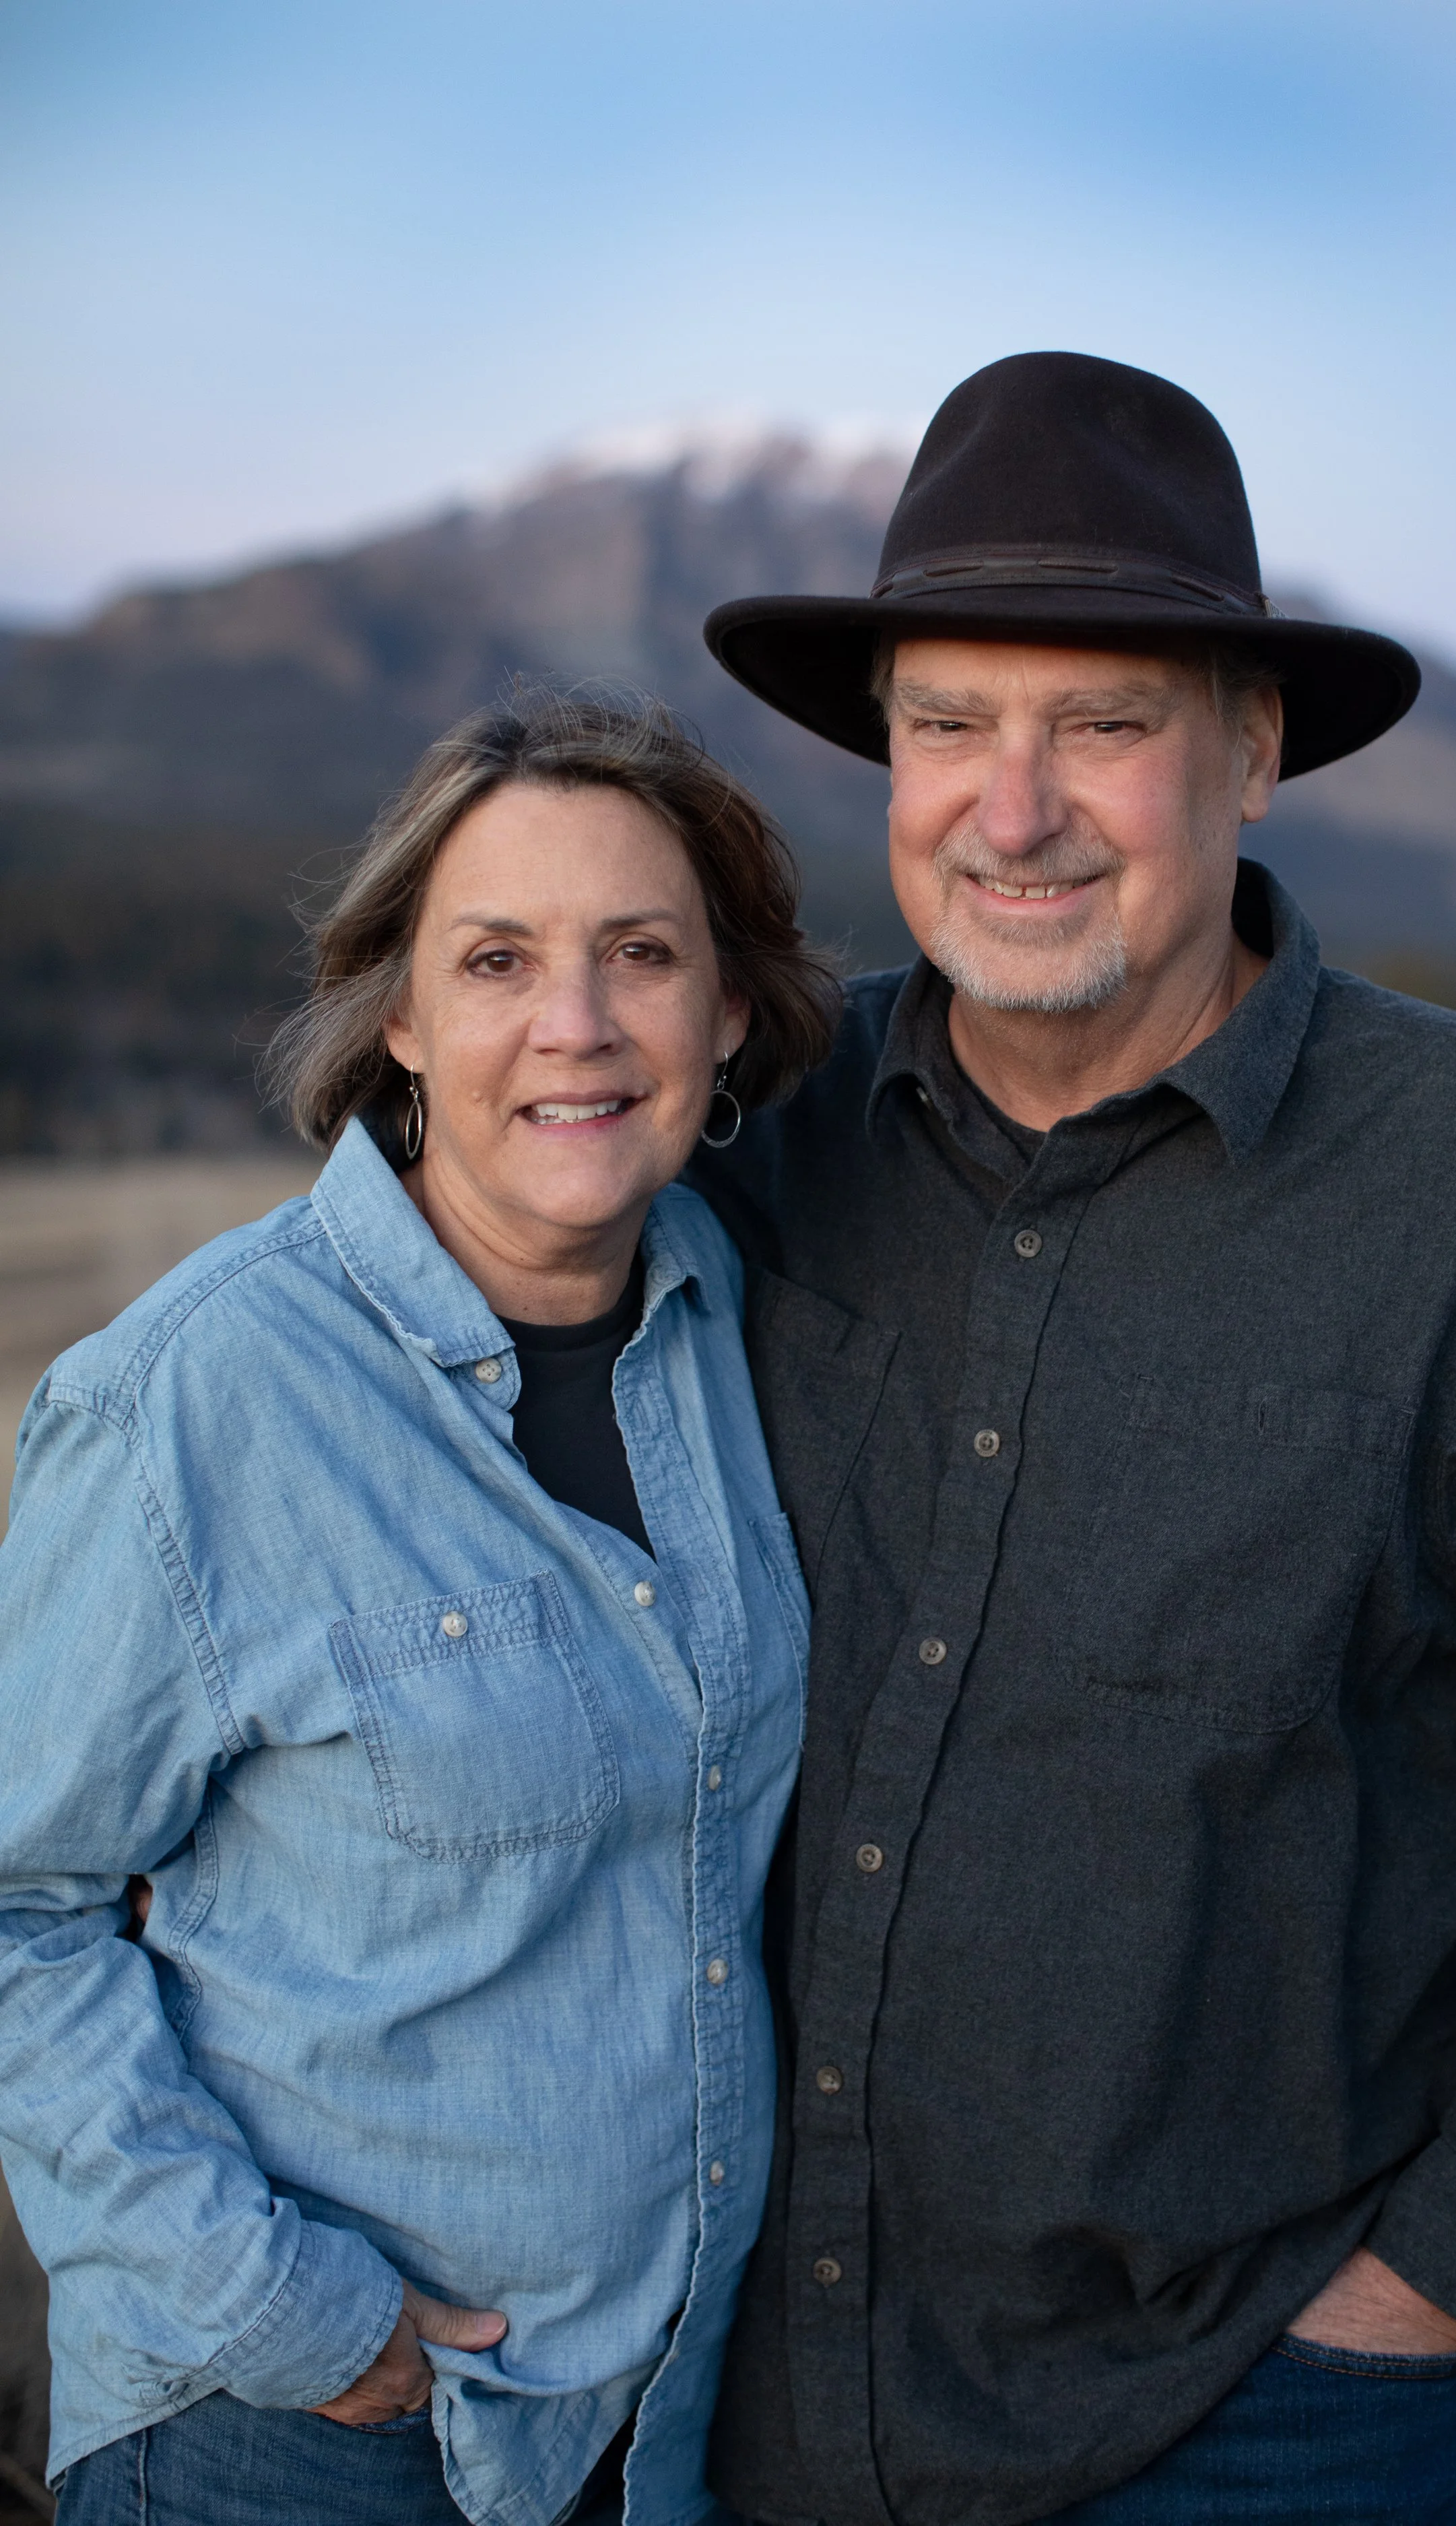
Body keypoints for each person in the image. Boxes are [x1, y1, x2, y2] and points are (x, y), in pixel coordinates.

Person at [687, 352, 1456, 2525]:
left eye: (1103, 724)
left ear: (1251, 749)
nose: (1008, 801)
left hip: (1270, 2430)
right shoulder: (754, 1135)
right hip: (753, 2416)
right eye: (944, 722)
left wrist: (1433, 2286)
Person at [0, 692, 837, 2526]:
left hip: (653, 2431)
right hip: (301, 2442)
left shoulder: (737, 1318)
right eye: (498, 959)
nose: (576, 1023)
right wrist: (287, 2310)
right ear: (397, 1013)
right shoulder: (194, 1402)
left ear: (724, 1010)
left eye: (641, 952)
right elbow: (17, 1904)